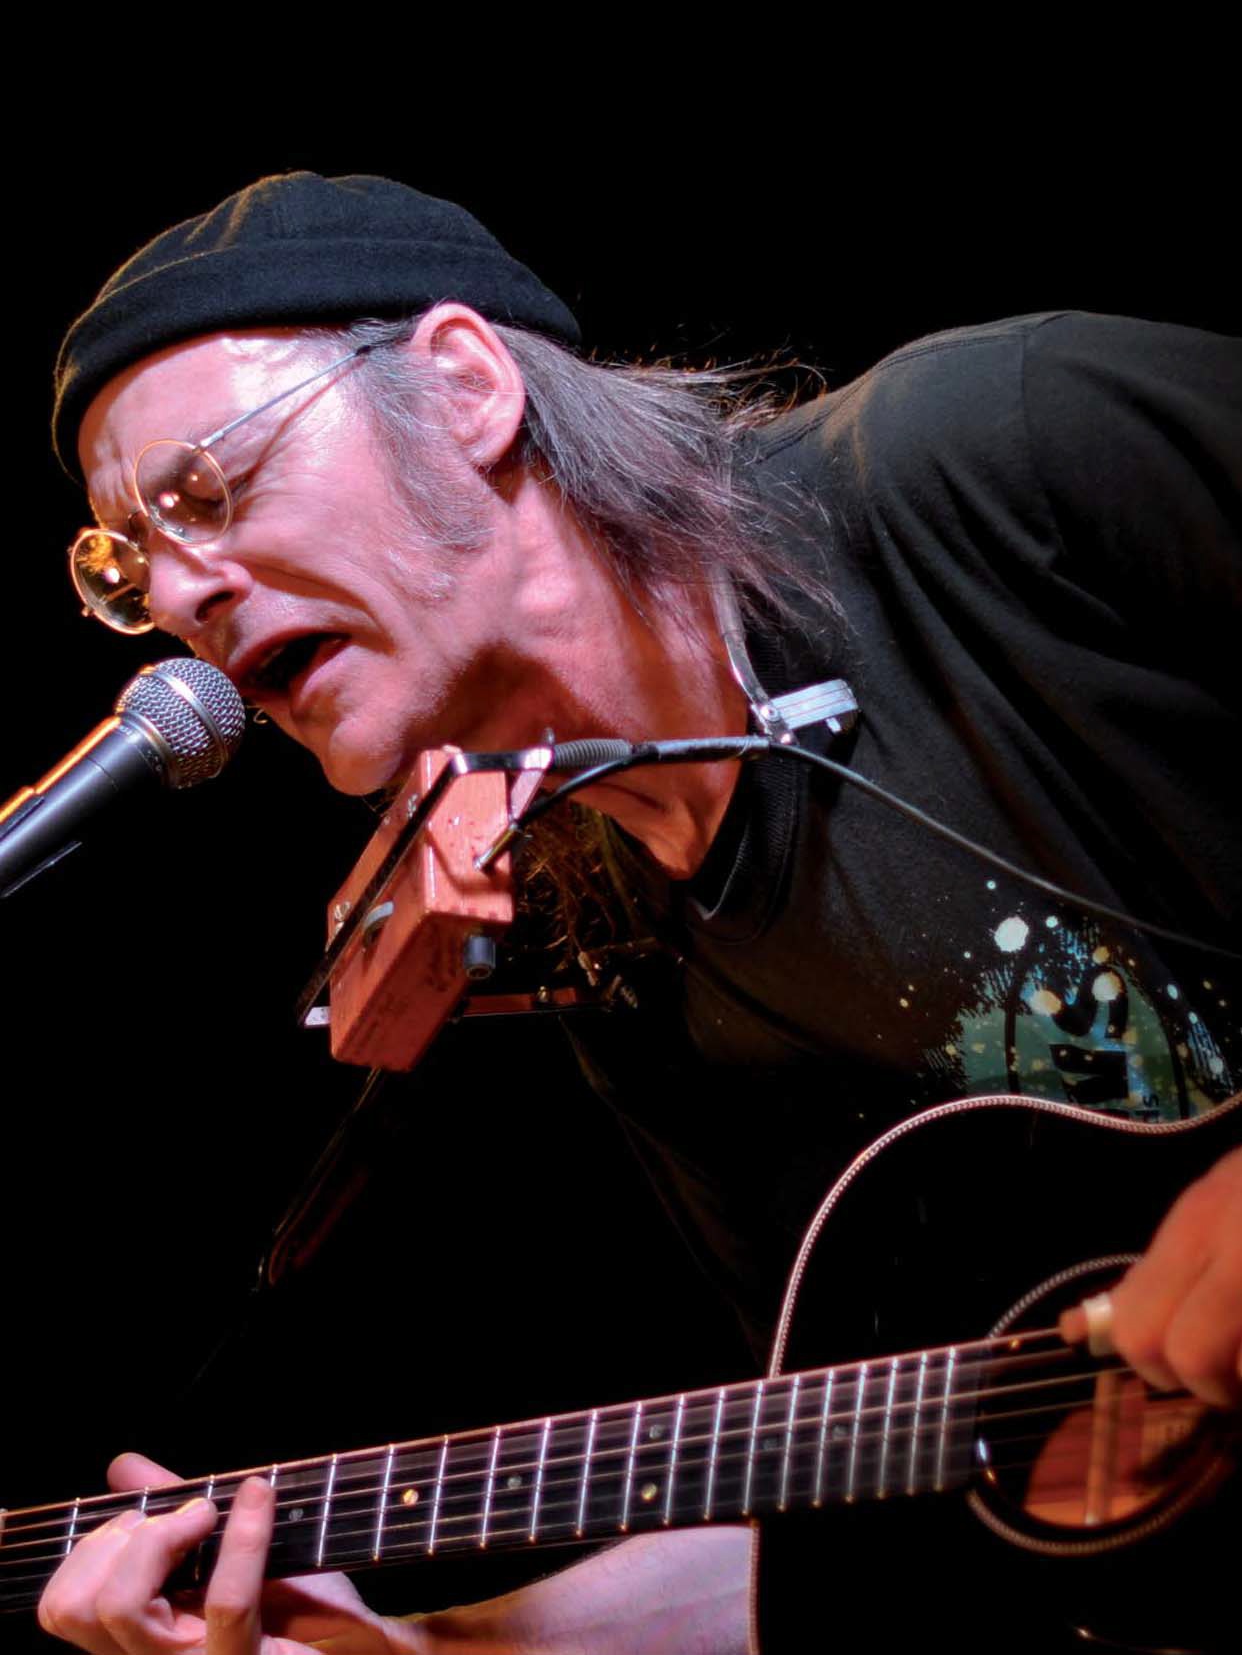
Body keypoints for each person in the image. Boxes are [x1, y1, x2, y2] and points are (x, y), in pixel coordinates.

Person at [36, 172, 1241, 1654]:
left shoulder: (1003, 454)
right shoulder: (598, 936)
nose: (179, 592)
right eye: (129, 564)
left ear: (465, 388)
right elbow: (852, 1503)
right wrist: (435, 1647)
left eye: (204, 490)